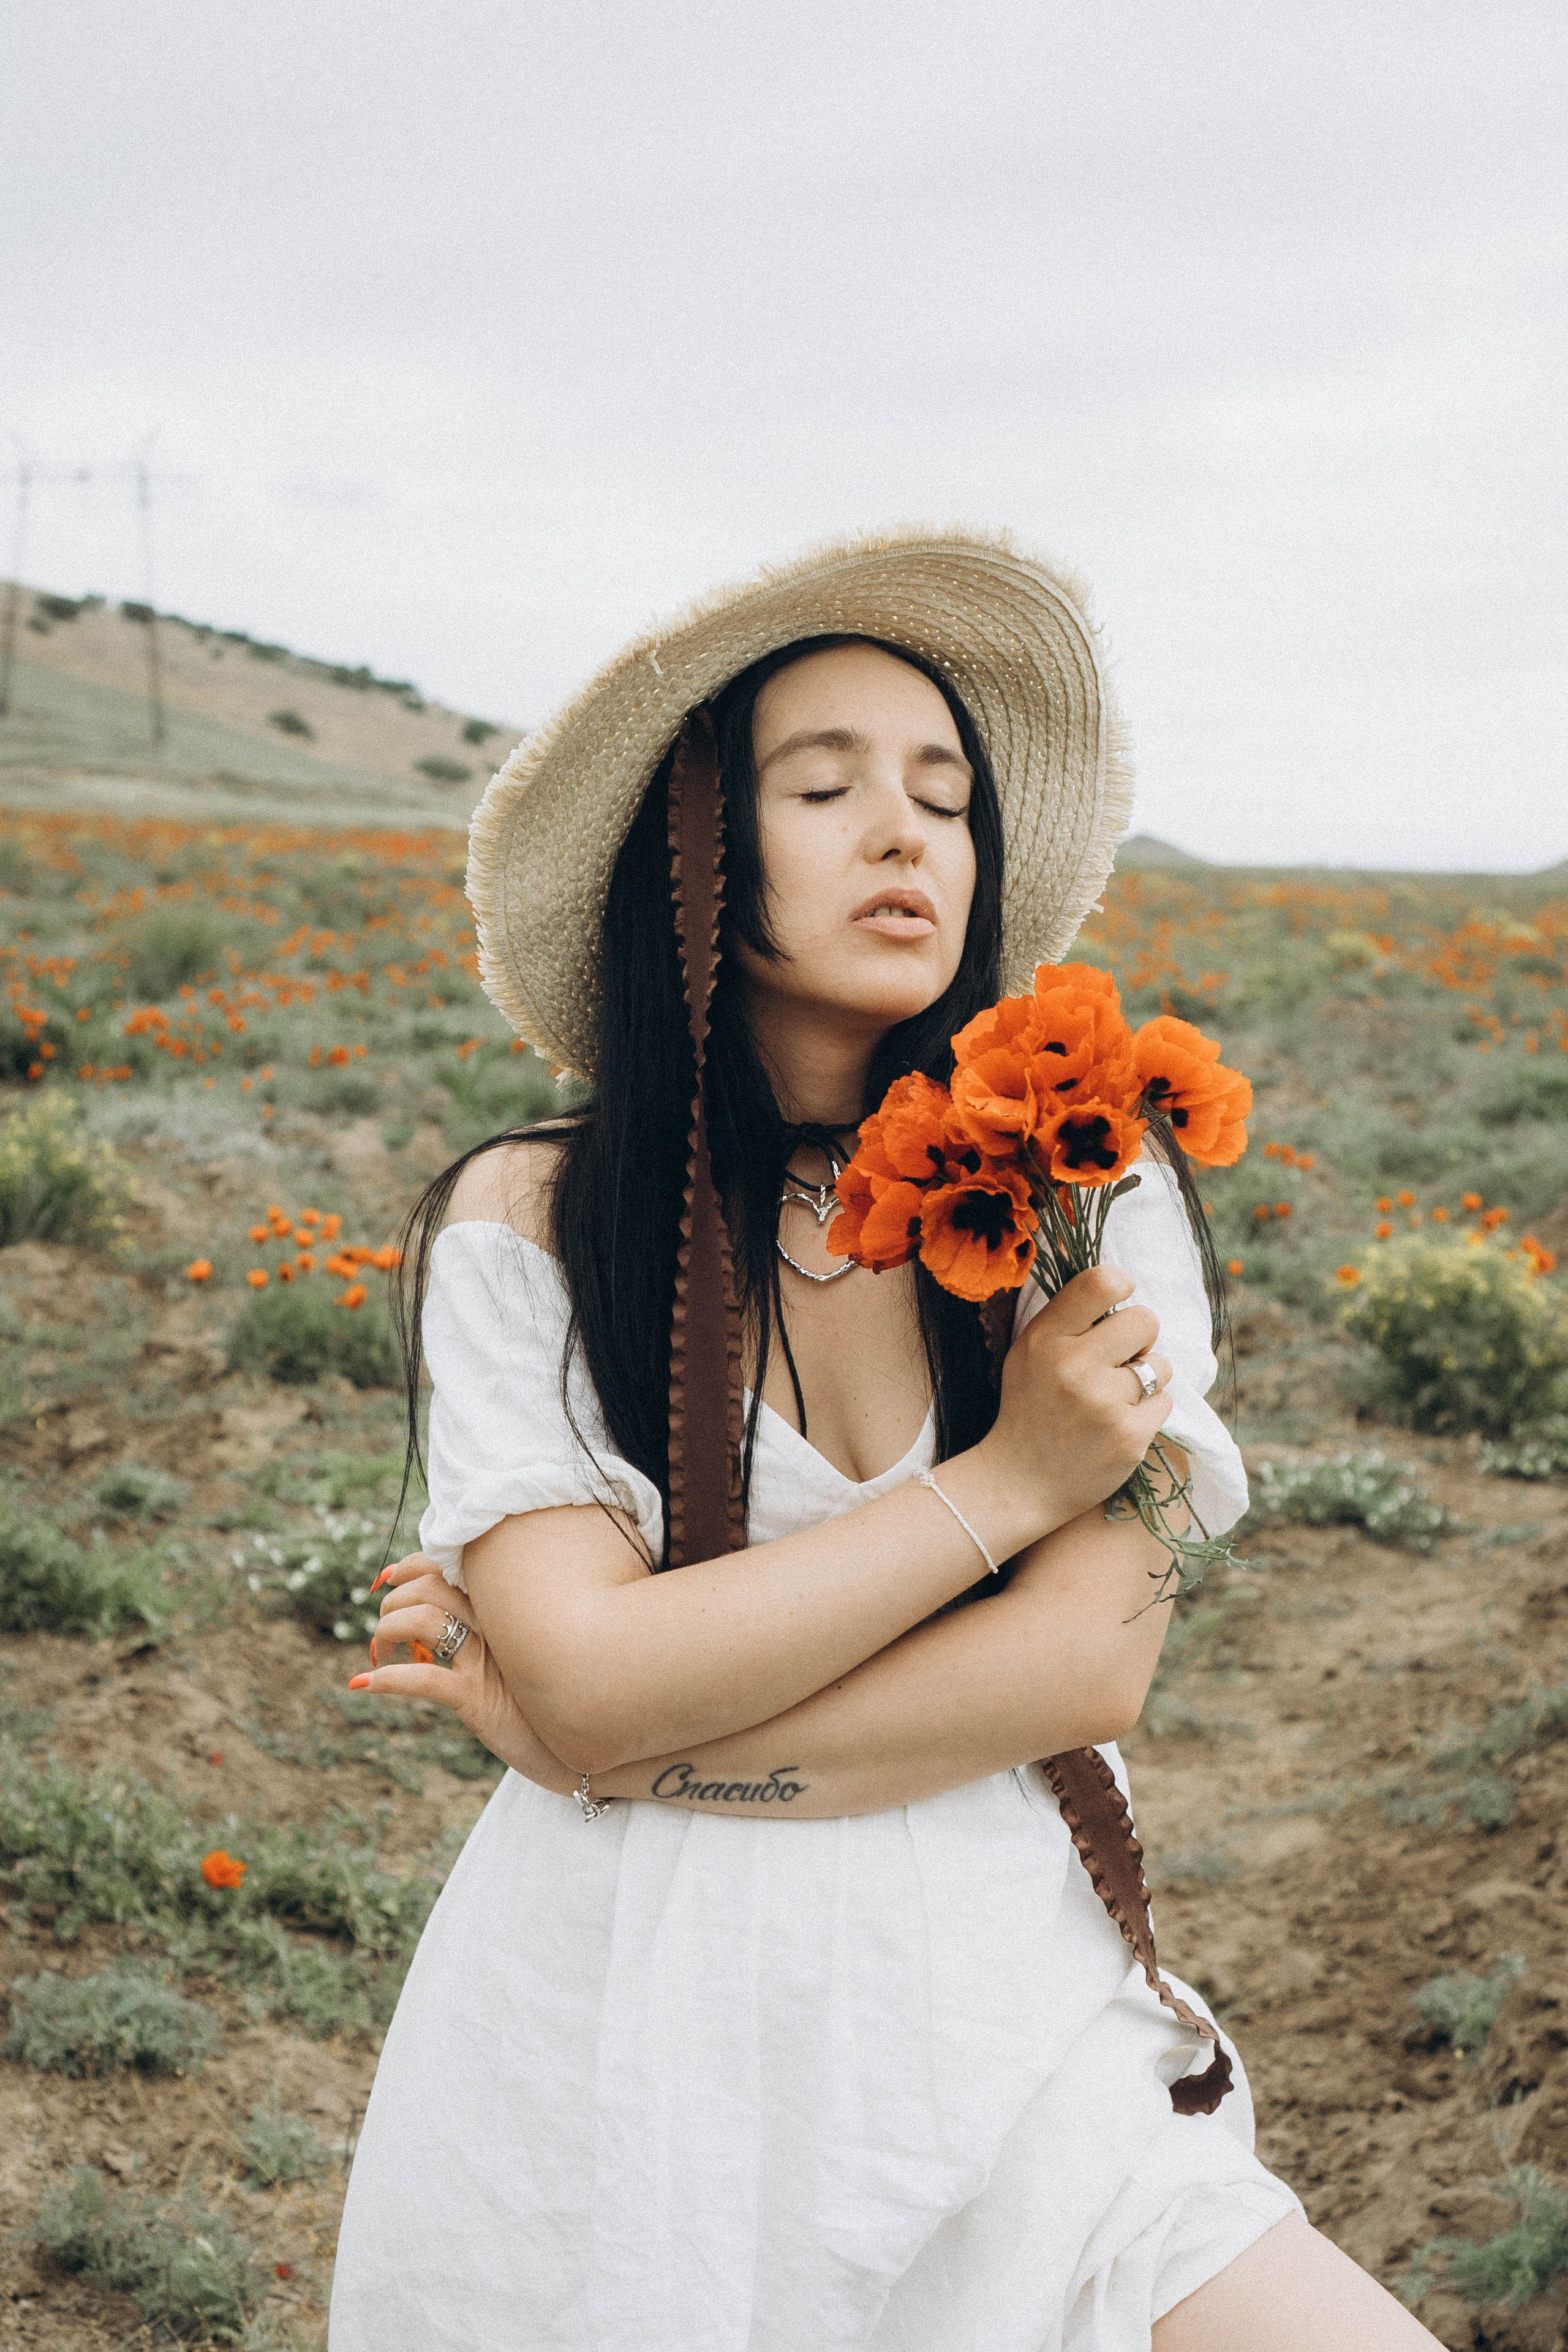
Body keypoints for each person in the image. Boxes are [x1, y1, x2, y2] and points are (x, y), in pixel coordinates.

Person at [327, 532, 1441, 2350]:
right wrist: (1009, 1484)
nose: (906, 830)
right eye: (823, 784)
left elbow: (1084, 1666)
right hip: (633, 2026)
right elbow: (600, 1680)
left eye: (943, 793)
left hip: (1007, 2000)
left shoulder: (1098, 1187)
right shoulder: (527, 1222)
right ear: (692, 853)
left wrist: (621, 1744)